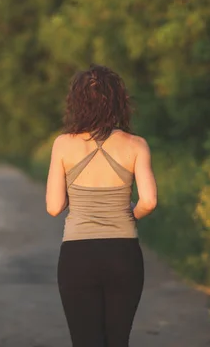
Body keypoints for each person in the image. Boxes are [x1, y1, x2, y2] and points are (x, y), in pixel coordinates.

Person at [45, 64, 158, 347]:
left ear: (77, 103)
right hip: (123, 252)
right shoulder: (136, 145)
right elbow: (149, 201)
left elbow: (54, 206)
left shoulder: (63, 144)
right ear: (119, 101)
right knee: (118, 341)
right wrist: (129, 215)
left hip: (78, 255)